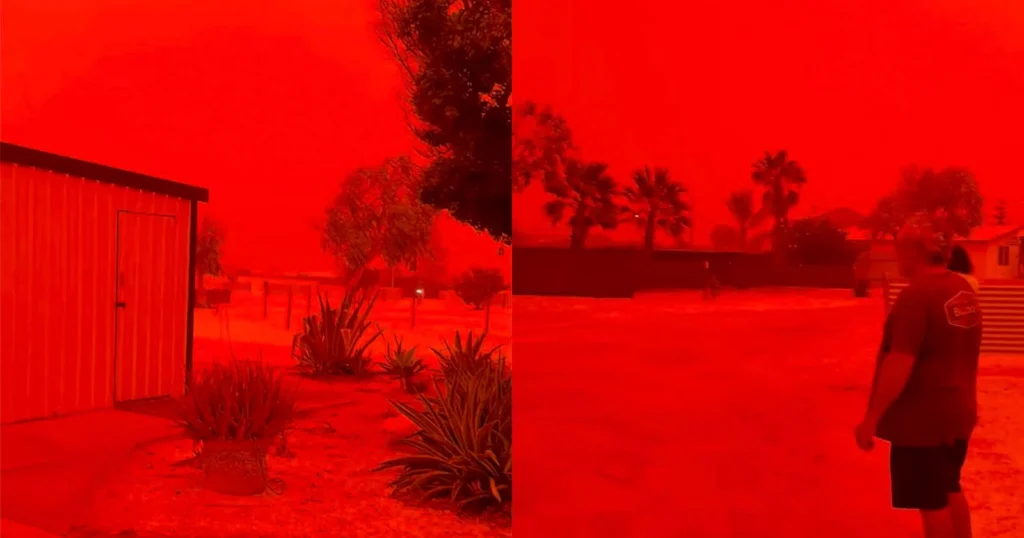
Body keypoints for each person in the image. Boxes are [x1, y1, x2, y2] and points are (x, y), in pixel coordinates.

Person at [857, 217, 982, 538]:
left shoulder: (916, 296)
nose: (898, 256)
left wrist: (872, 418)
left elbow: (900, 362)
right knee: (949, 488)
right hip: (958, 414)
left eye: (900, 248)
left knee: (931, 503)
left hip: (922, 423)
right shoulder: (962, 289)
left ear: (915, 251)